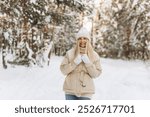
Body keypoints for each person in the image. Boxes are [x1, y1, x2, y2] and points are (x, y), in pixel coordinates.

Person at [60, 27, 102, 100]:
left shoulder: (94, 55)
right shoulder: (70, 53)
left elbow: (96, 74)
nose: (82, 40)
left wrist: (88, 63)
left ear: (88, 40)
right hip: (70, 90)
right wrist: (74, 63)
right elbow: (63, 70)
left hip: (86, 90)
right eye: (80, 38)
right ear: (77, 40)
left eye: (85, 38)